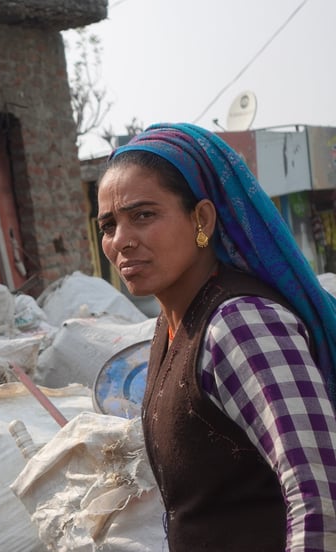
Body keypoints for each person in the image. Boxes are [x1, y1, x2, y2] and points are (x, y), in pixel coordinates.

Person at [95, 122, 336, 551]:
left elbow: (321, 493)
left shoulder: (240, 324)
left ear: (201, 219)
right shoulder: (172, 326)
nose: (121, 241)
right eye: (108, 225)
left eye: (143, 215)